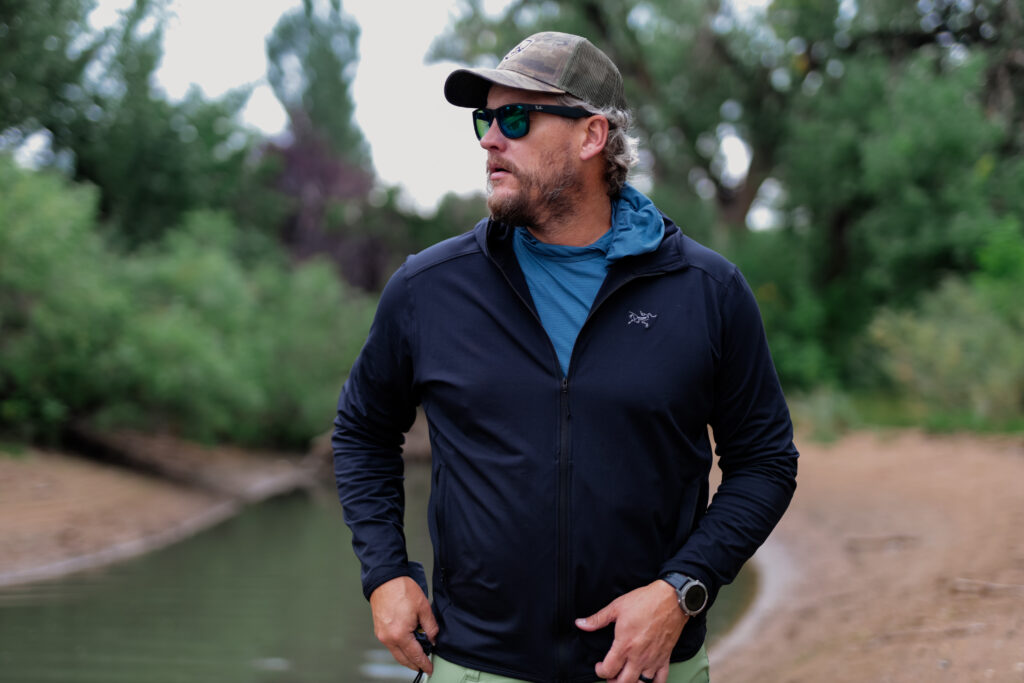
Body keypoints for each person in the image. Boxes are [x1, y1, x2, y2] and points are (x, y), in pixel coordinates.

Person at [332, 31, 798, 683]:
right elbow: (361, 431)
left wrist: (682, 590)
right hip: (476, 668)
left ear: (591, 136)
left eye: (516, 118)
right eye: (485, 120)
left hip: (647, 669)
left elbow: (766, 462)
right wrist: (384, 571)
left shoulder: (707, 291)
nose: (492, 138)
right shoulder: (427, 289)